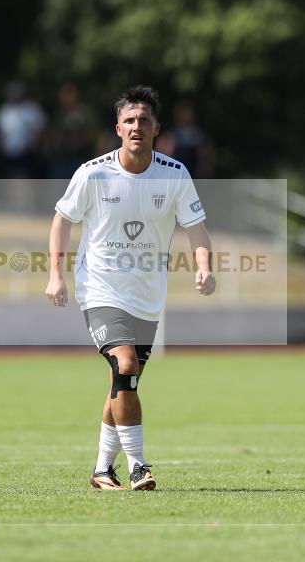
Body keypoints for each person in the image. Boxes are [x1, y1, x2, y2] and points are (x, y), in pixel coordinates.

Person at [45, 85, 215, 491]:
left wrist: (204, 267)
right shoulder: (93, 172)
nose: (136, 126)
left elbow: (197, 229)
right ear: (117, 128)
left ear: (156, 128)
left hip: (146, 297)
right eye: (129, 120)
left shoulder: (174, 174)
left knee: (123, 381)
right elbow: (62, 220)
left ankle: (102, 470)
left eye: (144, 120)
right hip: (100, 289)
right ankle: (140, 466)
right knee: (125, 365)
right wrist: (56, 274)